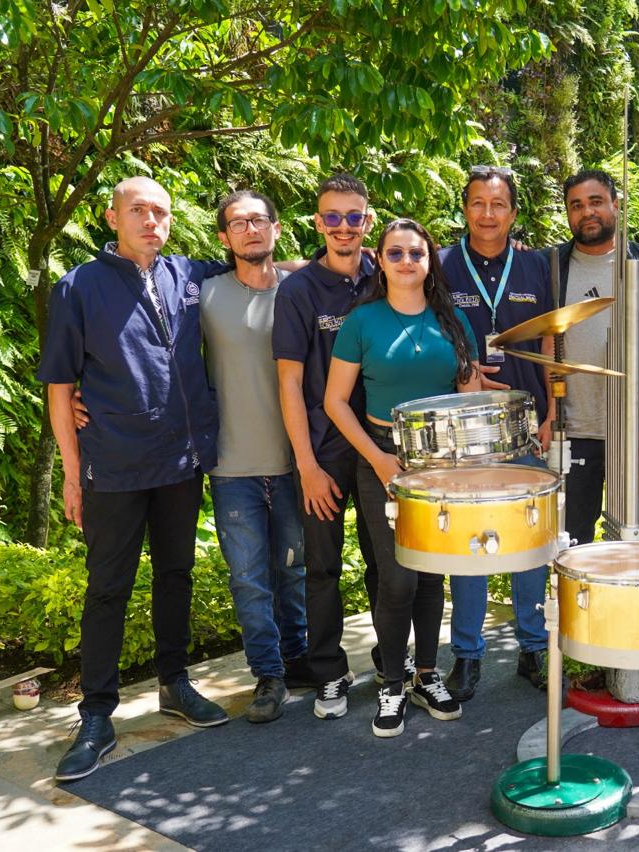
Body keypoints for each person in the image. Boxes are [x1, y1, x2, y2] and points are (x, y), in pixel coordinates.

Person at [40, 176, 229, 783]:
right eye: (139, 210)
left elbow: (262, 262)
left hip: (179, 460)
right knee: (108, 588)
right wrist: (72, 474)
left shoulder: (188, 276)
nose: (152, 220)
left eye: (162, 212)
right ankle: (96, 716)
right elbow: (59, 386)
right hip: (113, 465)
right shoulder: (80, 287)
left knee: (176, 573)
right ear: (112, 217)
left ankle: (175, 683)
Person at [324, 218, 481, 738]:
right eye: (396, 253)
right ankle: (393, 680)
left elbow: (467, 396)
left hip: (439, 462)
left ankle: (427, 675)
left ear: (429, 261)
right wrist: (376, 458)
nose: (407, 261)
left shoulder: (454, 320)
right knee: (396, 578)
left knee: (431, 574)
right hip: (383, 458)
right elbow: (335, 402)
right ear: (381, 260)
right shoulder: (362, 321)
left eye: (417, 253)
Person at [273, 174, 399, 721]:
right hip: (323, 451)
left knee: (386, 563)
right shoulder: (298, 291)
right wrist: (305, 465)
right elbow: (288, 383)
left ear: (367, 222)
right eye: (332, 217)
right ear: (318, 222)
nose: (343, 227)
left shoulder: (385, 275)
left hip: (381, 448)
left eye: (354, 217)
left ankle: (391, 664)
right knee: (321, 567)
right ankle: (328, 672)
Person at [437, 166, 554, 700]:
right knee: (471, 545)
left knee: (528, 541)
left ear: (512, 211)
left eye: (499, 204)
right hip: (464, 432)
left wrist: (551, 407)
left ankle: (533, 648)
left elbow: (550, 340)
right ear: (465, 210)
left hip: (526, 423)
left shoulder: (535, 266)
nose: (488, 213)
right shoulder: (439, 264)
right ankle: (466, 654)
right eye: (478, 203)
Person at [201, 190, 307, 723]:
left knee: (295, 571)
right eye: (238, 223)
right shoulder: (202, 294)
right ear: (223, 237)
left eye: (259, 220)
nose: (250, 229)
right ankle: (268, 675)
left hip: (293, 463)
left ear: (276, 229)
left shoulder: (299, 292)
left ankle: (299, 658)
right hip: (230, 466)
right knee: (248, 578)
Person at [547, 169, 639, 546]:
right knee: (571, 541)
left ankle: (631, 607)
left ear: (616, 205)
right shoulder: (548, 267)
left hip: (634, 431)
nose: (587, 212)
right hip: (574, 428)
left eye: (596, 202)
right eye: (576, 206)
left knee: (634, 539)